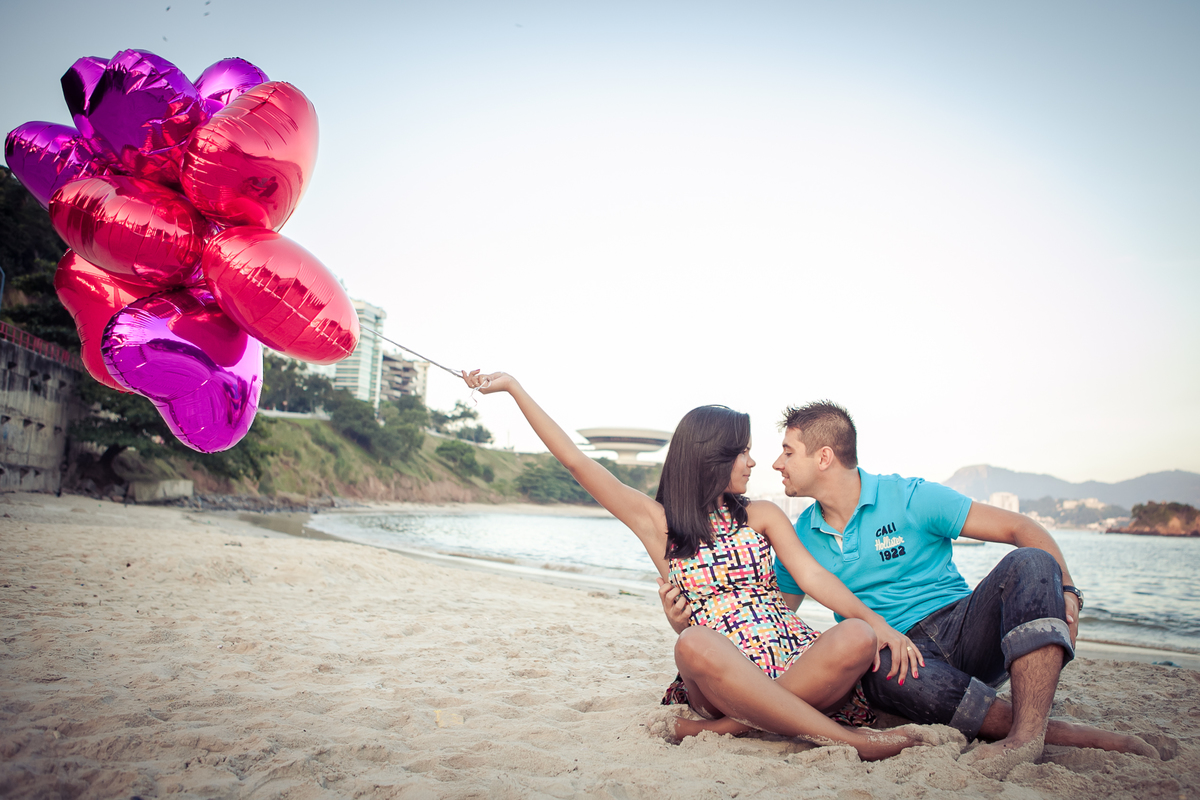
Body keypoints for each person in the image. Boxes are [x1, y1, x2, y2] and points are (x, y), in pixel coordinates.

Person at [462, 370, 942, 760]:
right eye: (745, 451)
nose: (756, 462)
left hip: (789, 652)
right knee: (692, 642)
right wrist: (513, 388)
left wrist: (880, 626)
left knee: (856, 635)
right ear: (713, 456)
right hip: (721, 669)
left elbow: (814, 578)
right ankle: (851, 742)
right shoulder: (660, 524)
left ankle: (729, 727)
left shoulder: (763, 514)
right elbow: (577, 463)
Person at [746, 400, 1158, 776]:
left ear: (823, 457)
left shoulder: (909, 496)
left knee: (1032, 562)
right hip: (898, 657)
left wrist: (1069, 591)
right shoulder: (799, 535)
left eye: (787, 451)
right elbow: (777, 615)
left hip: (963, 628)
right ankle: (1054, 730)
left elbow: (1021, 528)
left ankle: (1026, 737)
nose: (777, 463)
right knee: (875, 675)